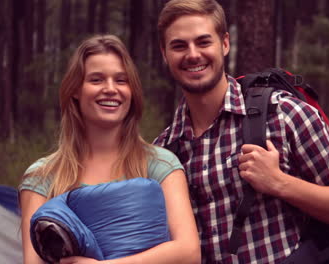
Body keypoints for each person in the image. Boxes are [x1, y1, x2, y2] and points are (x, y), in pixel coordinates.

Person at [152, 0, 329, 263]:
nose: (192, 54)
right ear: (164, 53)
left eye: (203, 42)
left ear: (224, 43)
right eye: (179, 45)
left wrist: (279, 182)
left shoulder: (282, 114)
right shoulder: (164, 151)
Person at [19, 35, 200, 264]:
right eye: (96, 80)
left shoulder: (161, 165)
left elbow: (188, 252)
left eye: (121, 80)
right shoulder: (41, 177)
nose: (111, 89)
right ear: (75, 89)